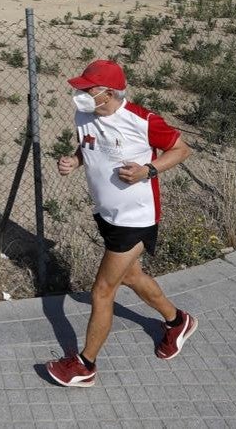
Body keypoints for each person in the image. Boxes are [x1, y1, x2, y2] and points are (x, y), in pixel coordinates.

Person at [45, 59, 197, 388]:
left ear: (109, 92)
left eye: (88, 89)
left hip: (136, 218)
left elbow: (182, 150)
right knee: (130, 275)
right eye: (80, 87)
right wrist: (75, 159)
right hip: (107, 214)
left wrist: (149, 170)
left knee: (102, 291)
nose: (80, 93)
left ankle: (85, 365)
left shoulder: (143, 121)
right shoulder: (83, 115)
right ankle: (177, 321)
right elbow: (89, 146)